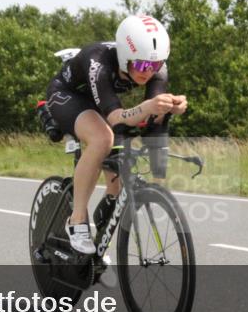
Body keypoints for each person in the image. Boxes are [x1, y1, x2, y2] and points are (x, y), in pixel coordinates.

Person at [44, 14, 187, 254]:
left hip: (105, 103)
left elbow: (151, 120)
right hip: (68, 97)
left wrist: (169, 108)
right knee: (103, 139)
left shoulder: (156, 68)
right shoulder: (98, 61)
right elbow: (115, 117)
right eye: (141, 65)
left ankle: (98, 247)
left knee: (119, 176)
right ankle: (76, 220)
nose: (147, 72)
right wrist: (150, 106)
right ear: (124, 57)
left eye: (153, 65)